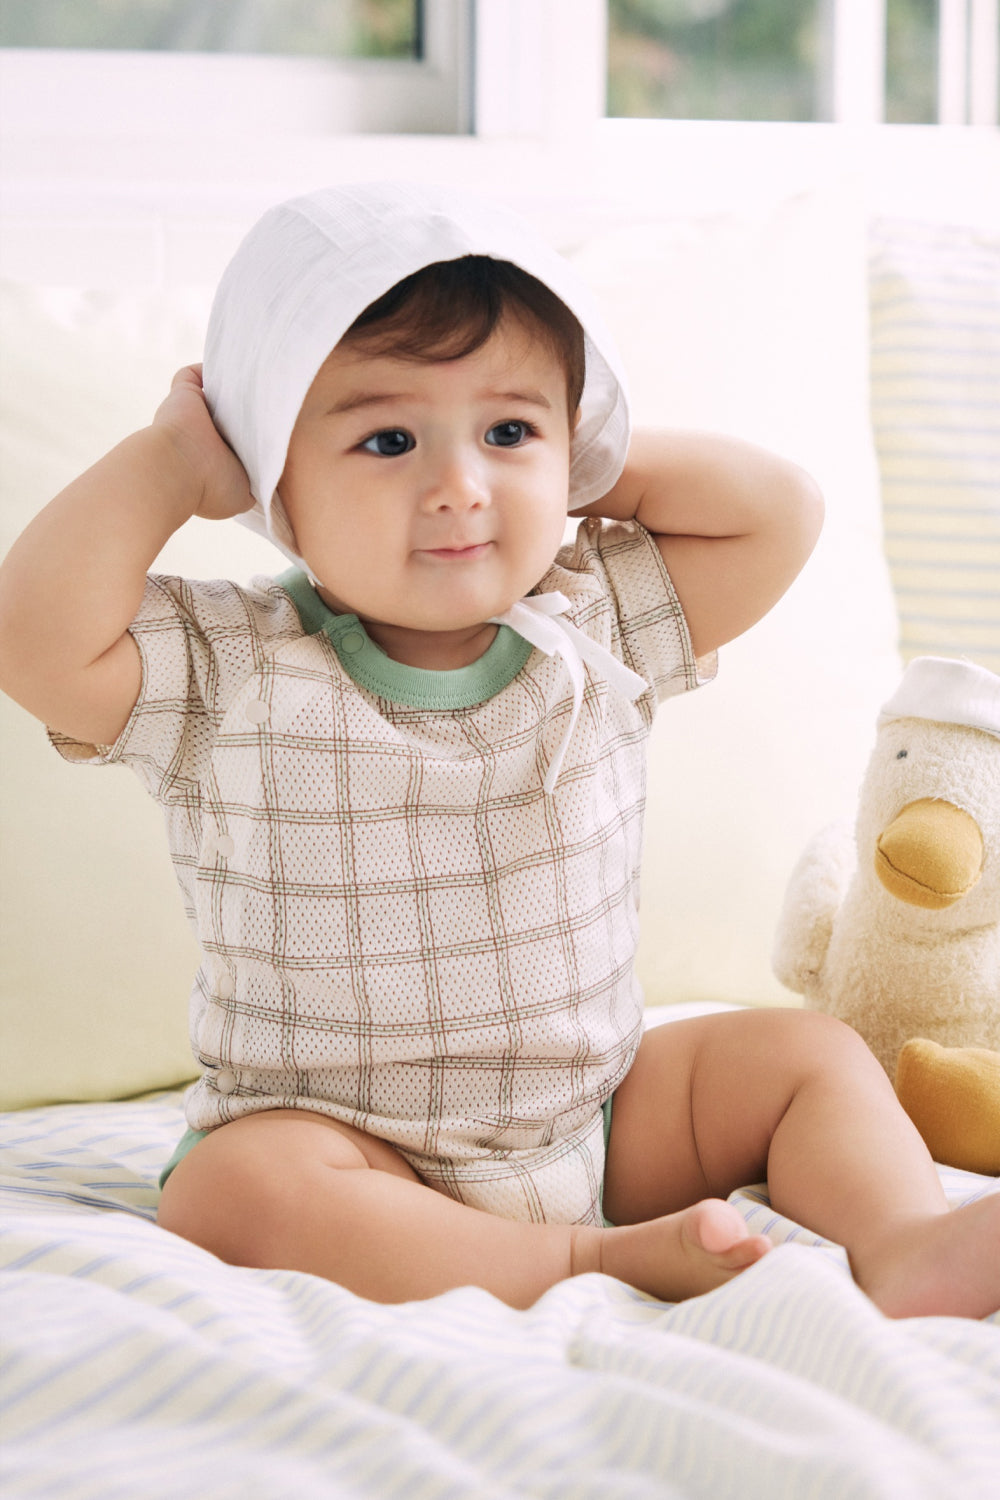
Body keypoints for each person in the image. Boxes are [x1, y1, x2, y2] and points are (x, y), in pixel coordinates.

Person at [0, 183, 996, 1319]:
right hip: (350, 1146)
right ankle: (587, 1264)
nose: (459, 487)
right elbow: (33, 639)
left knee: (807, 1056)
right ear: (274, 477)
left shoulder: (592, 621)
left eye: (507, 432)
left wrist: (579, 461)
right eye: (389, 439)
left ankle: (908, 1243)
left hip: (598, 1120)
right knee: (232, 1193)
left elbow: (779, 512)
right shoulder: (228, 665)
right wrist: (172, 462)